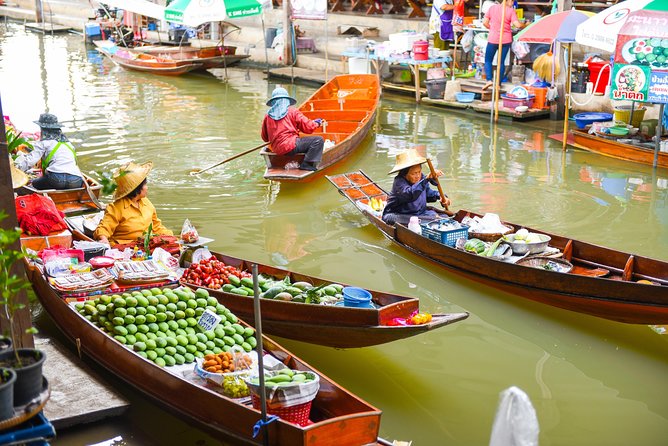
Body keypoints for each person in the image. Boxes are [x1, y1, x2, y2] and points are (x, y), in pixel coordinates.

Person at [94, 161, 173, 246]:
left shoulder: (146, 202)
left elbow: (157, 226)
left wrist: (173, 237)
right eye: (145, 185)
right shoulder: (116, 208)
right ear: (137, 188)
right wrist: (103, 239)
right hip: (125, 247)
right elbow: (104, 227)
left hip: (147, 244)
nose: (147, 188)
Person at [261, 87, 324, 172]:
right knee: (318, 140)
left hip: (277, 149)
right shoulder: (292, 112)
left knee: (301, 142)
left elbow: (265, 138)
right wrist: (317, 123)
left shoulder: (267, 116)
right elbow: (308, 127)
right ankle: (307, 164)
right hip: (290, 146)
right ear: (286, 100)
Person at [14, 113, 84, 190]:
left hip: (55, 179)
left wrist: (15, 170)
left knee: (34, 183)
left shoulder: (43, 143)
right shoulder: (68, 144)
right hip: (76, 180)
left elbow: (30, 161)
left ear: (43, 129)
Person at [382, 149, 451, 226]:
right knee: (429, 220)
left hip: (419, 214)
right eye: (414, 173)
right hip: (398, 215)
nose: (418, 176)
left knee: (445, 217)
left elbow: (428, 194)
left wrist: (441, 197)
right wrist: (426, 180)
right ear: (405, 174)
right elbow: (411, 194)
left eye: (419, 172)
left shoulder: (421, 178)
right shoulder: (399, 182)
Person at [481, 0, 524, 90]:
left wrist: (492, 28)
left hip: (493, 38)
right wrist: (525, 25)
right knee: (501, 62)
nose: (512, 3)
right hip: (505, 39)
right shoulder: (510, 10)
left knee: (488, 60)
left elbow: (485, 22)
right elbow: (517, 25)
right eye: (512, 1)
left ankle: (489, 80)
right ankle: (498, 84)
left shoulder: (492, 8)